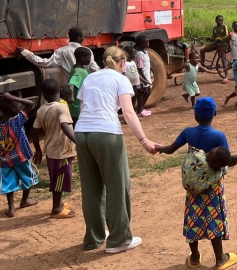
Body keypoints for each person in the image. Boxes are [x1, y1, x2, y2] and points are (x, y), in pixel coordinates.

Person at [154, 98, 237, 269]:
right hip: (213, 188)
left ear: (195, 114)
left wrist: (158, 148)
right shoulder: (218, 136)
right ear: (214, 113)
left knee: (193, 218)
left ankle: (194, 257)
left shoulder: (188, 132)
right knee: (213, 219)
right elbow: (229, 160)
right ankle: (220, 258)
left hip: (194, 188)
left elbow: (170, 149)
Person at [74, 46, 157, 252]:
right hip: (106, 134)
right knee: (117, 186)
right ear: (122, 63)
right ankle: (119, 240)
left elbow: (83, 107)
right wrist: (144, 141)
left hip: (82, 133)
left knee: (91, 189)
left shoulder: (90, 78)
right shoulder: (121, 80)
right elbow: (128, 113)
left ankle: (93, 239)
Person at [29, 79, 76, 218]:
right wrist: (78, 141)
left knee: (56, 178)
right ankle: (56, 208)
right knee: (59, 180)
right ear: (59, 92)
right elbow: (64, 126)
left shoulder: (41, 109)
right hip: (62, 151)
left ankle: (59, 203)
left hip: (51, 150)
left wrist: (37, 150)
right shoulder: (61, 107)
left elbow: (34, 131)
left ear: (43, 94)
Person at [0, 92, 37, 218]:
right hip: (21, 157)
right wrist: (11, 97)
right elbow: (31, 104)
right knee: (27, 178)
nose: (19, 108)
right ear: (12, 109)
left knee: (9, 182)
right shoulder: (17, 121)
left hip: (5, 160)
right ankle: (24, 200)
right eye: (17, 107)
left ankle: (11, 208)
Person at [16, 26, 100, 79]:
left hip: (73, 89)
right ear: (79, 38)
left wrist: (27, 54)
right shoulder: (87, 51)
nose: (83, 39)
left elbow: (44, 63)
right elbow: (95, 69)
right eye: (82, 37)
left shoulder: (62, 51)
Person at [200, 15, 230, 80]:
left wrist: (219, 38)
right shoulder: (215, 28)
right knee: (202, 50)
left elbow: (226, 36)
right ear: (215, 21)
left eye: (221, 20)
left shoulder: (224, 26)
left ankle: (226, 76)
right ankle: (202, 67)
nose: (220, 22)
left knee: (223, 58)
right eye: (219, 20)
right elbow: (213, 38)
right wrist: (209, 39)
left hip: (222, 44)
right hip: (216, 44)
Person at [67, 47, 93, 122]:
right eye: (89, 57)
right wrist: (71, 97)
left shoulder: (77, 68)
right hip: (77, 104)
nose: (90, 59)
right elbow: (71, 84)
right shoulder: (79, 72)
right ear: (83, 58)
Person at [134, 36, 152, 117]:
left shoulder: (145, 52)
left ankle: (141, 109)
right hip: (142, 77)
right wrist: (144, 79)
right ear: (141, 44)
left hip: (146, 76)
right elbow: (140, 68)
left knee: (147, 92)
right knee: (141, 93)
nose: (148, 43)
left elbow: (147, 63)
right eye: (146, 42)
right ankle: (140, 110)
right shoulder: (139, 54)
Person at [122, 46, 142, 112]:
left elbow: (136, 73)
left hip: (135, 85)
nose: (135, 54)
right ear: (128, 54)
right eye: (133, 53)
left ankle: (131, 112)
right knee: (128, 101)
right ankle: (127, 115)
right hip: (128, 85)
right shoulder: (125, 64)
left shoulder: (133, 63)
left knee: (133, 100)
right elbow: (123, 74)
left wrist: (143, 80)